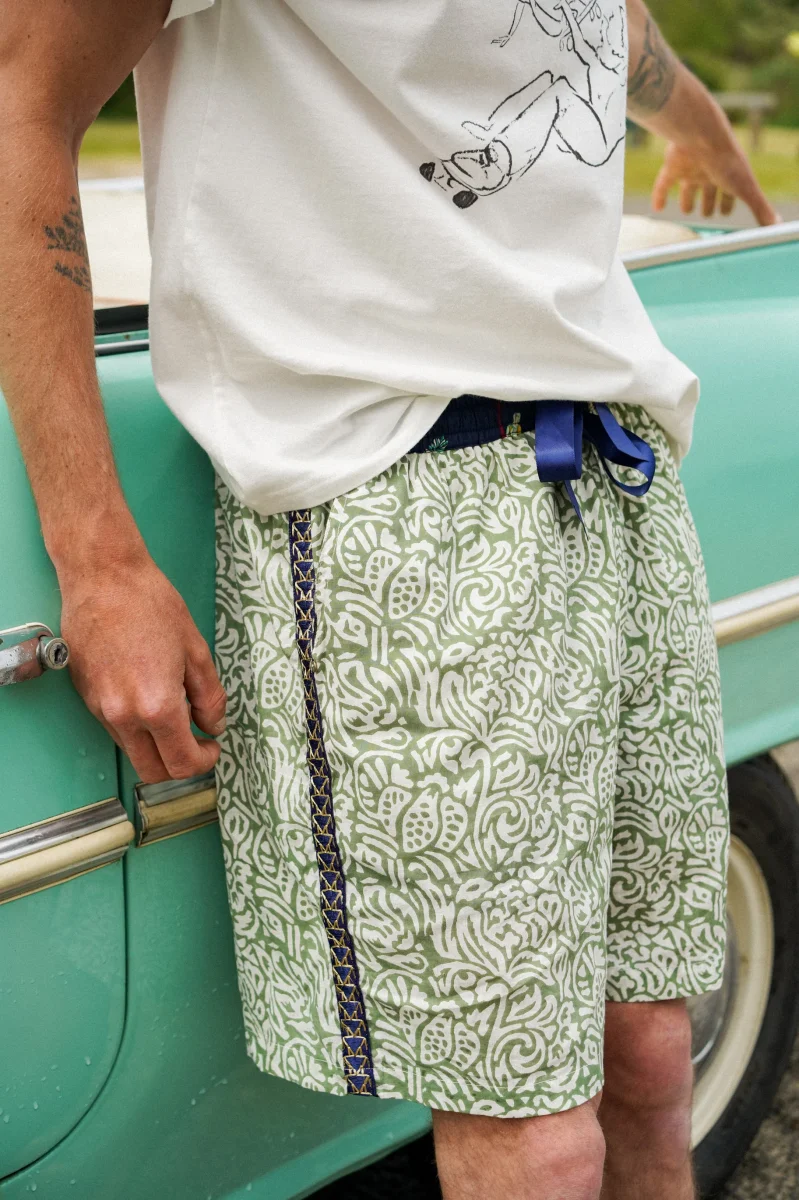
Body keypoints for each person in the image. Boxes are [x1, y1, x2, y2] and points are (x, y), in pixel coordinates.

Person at [0, 2, 778, 1197]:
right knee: (535, 1132)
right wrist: (96, 556)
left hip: (614, 463)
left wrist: (698, 120)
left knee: (652, 1048)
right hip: (404, 506)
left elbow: (590, 28)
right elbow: (23, 93)